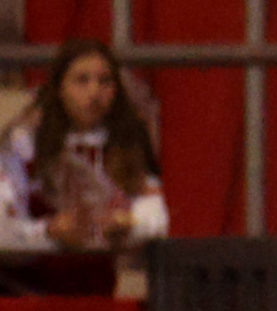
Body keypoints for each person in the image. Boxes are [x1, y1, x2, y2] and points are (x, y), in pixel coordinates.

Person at [0, 38, 166, 285]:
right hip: (25, 293)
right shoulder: (24, 144)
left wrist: (128, 225)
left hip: (97, 291)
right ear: (59, 87)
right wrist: (50, 231)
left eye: (105, 81)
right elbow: (4, 231)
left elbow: (156, 216)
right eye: (81, 80)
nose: (94, 92)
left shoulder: (127, 143)